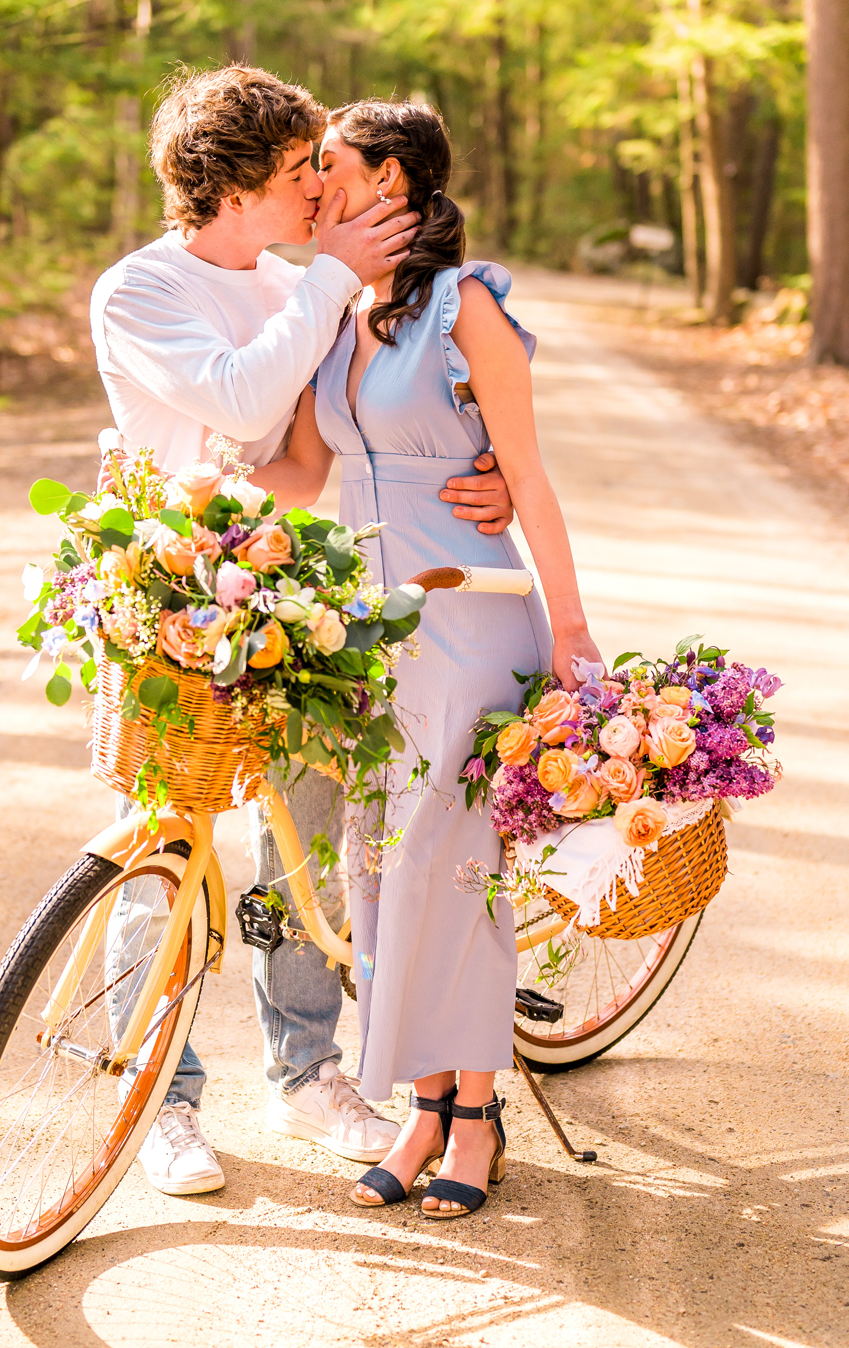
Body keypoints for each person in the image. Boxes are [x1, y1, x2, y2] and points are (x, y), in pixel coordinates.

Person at [88, 66, 517, 1197]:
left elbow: (319, 450)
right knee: (164, 843)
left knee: (307, 840)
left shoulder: (298, 281)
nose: (319, 189)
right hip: (171, 602)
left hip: (290, 597)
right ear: (234, 186)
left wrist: (488, 472)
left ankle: (306, 1070)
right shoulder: (140, 291)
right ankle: (158, 1100)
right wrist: (329, 279)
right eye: (297, 171)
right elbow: (239, 399)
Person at [251, 98, 601, 1218]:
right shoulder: (334, 310)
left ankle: (476, 1117)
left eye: (332, 165)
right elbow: (301, 473)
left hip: (470, 614)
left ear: (391, 179)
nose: (315, 184)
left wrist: (572, 628)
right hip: (364, 628)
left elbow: (527, 476)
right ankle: (423, 1102)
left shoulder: (467, 307)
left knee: (453, 868)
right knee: (378, 868)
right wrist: (190, 474)